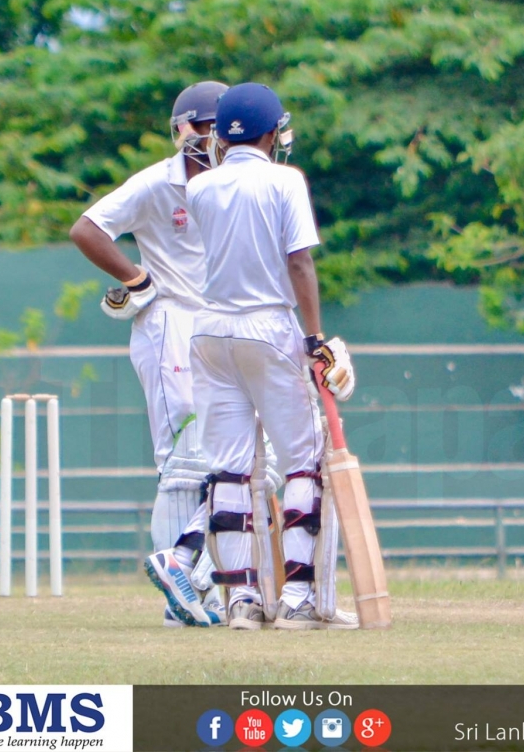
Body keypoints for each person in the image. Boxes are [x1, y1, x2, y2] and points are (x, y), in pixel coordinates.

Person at [185, 82, 356, 630]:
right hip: (267, 327)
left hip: (209, 332)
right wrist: (315, 335)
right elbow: (299, 262)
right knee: (303, 459)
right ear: (270, 133)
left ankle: (241, 600)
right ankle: (298, 597)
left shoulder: (199, 188)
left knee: (231, 470)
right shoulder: (286, 180)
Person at [69, 81, 230, 627]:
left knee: (229, 457)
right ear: (183, 129)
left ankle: (200, 581)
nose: (215, 136)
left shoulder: (236, 183)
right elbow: (87, 229)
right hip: (169, 325)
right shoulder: (157, 183)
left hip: (220, 325)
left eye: (222, 126)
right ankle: (180, 601)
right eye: (205, 125)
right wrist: (136, 278)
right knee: (183, 462)